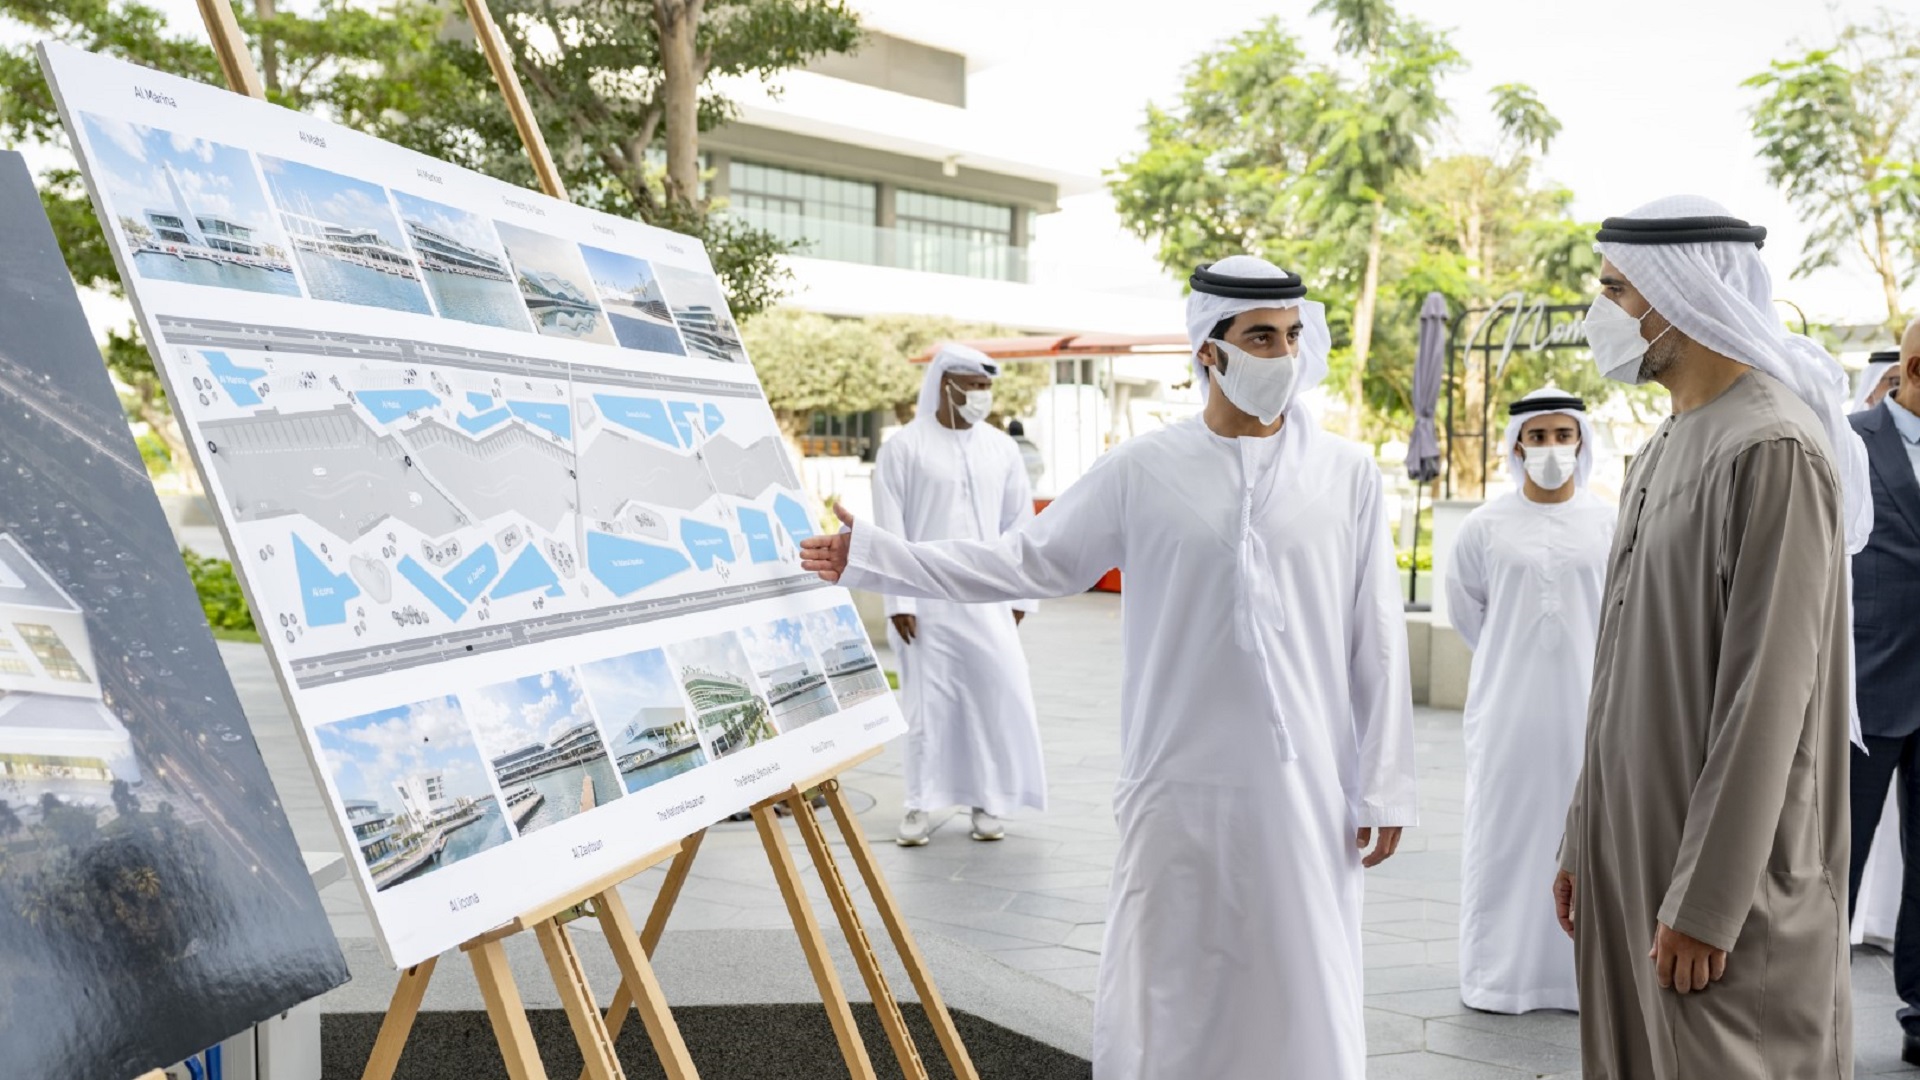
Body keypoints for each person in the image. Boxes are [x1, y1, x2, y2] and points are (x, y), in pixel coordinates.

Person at [801, 255, 1416, 1079]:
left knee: (1302, 972)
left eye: (1294, 336)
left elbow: (1375, 635)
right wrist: (876, 558)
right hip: (1177, 783)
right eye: (1260, 337)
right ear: (1209, 349)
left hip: (1306, 787)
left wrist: (1383, 783)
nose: (1283, 355)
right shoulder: (1145, 468)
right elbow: (1023, 561)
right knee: (1171, 978)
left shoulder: (1345, 475)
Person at [1553, 195, 1873, 1079]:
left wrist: (1709, 899)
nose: (1600, 313)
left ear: (1677, 296)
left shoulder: (1770, 446)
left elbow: (1767, 694)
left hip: (1723, 892)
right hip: (1634, 855)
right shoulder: (1668, 445)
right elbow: (1616, 668)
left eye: (1616, 291)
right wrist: (1584, 834)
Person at [1446, 386, 1614, 1014]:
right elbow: (1470, 616)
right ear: (1516, 445)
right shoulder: (1483, 527)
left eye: (1561, 436)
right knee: (1507, 837)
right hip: (1508, 714)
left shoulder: (1610, 522)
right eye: (1537, 437)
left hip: (1587, 712)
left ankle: (1580, 981)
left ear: (1581, 441)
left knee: (1588, 838)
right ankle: (1499, 977)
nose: (1550, 449)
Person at [872, 343, 1045, 845]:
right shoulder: (904, 447)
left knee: (998, 695)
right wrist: (899, 602)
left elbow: (1020, 524)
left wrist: (1022, 595)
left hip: (989, 597)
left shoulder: (1002, 447)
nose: (982, 396)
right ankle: (919, 805)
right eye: (974, 386)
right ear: (946, 384)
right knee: (930, 705)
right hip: (925, 601)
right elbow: (890, 530)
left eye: (987, 387)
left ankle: (988, 802)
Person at [1846, 318, 1920, 1063]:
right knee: (1833, 859)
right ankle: (1808, 1002)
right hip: (1866, 691)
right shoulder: (1847, 441)